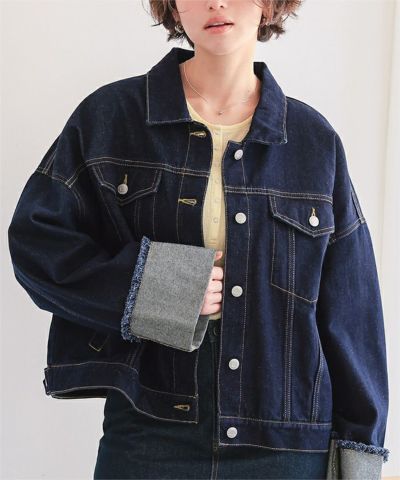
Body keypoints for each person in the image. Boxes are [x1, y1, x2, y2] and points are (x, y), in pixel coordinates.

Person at [7, 0, 390, 479]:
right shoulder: (112, 118)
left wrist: (360, 457)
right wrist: (153, 289)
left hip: (286, 440)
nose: (216, 2)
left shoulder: (313, 141)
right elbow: (37, 241)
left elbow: (352, 313)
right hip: (151, 430)